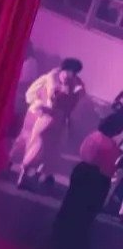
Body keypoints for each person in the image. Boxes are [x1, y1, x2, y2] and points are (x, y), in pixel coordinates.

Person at [53, 113, 123, 249]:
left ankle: (59, 235)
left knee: (71, 204)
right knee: (85, 213)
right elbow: (111, 168)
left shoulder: (94, 136)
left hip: (82, 170)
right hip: (97, 179)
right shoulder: (111, 146)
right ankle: (73, 244)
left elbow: (82, 151)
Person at [18, 58, 86, 188]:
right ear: (66, 69)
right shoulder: (53, 80)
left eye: (74, 72)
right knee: (37, 146)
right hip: (46, 118)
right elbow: (53, 100)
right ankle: (25, 174)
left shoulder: (73, 83)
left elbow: (68, 106)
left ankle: (31, 175)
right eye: (71, 71)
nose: (72, 74)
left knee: (46, 149)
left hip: (54, 120)